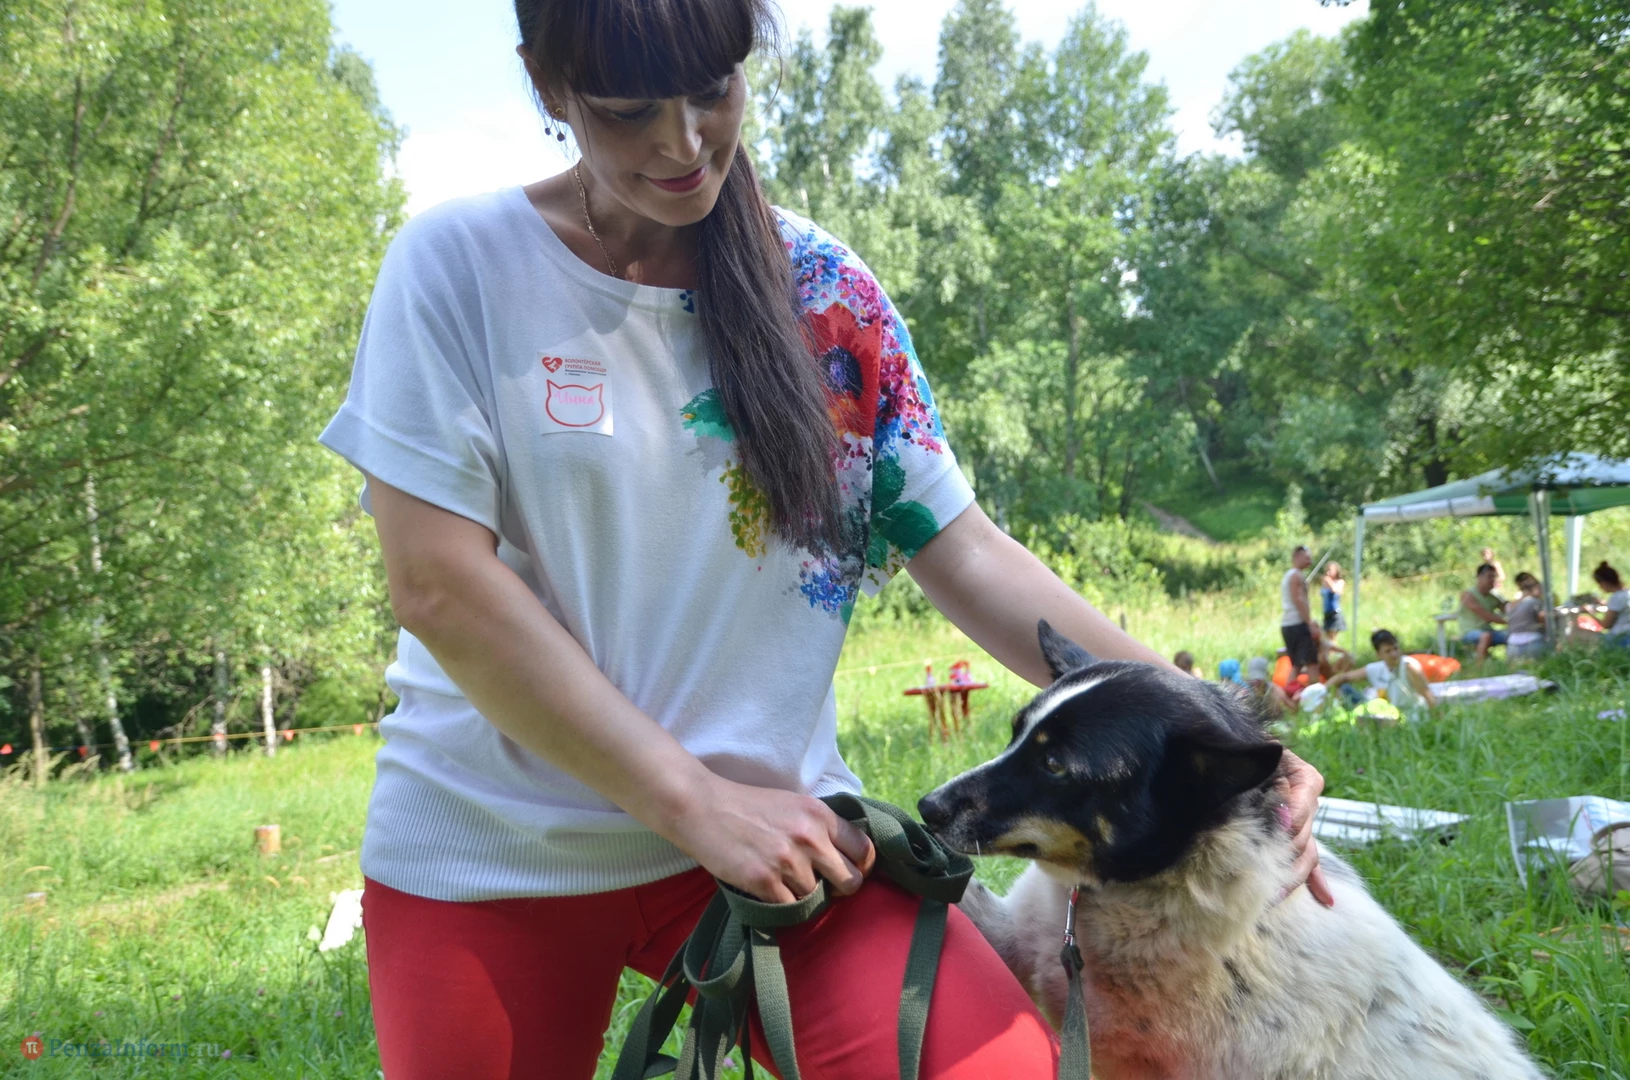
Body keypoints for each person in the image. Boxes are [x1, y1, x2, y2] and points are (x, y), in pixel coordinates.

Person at [313, 3, 1333, 1077]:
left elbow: (964, 551)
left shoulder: (828, 292)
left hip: (788, 850)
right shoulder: (458, 267)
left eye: (713, 90)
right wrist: (695, 803)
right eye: (628, 111)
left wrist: (1216, 728)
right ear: (545, 83)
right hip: (494, 849)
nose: (683, 142)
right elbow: (438, 585)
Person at [1326, 629, 1437, 717]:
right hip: (1383, 713)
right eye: (1388, 651)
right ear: (1379, 655)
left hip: (1409, 715)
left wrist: (1436, 718)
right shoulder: (1376, 668)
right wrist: (1322, 689)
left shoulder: (1409, 666)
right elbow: (1344, 677)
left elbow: (1428, 695)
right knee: (1344, 689)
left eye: (1395, 649)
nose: (1394, 654)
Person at [1279, 546, 1322, 679]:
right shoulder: (1296, 575)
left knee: (1297, 665)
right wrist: (1309, 623)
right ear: (1297, 557)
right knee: (1312, 662)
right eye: (1307, 558)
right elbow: (1298, 599)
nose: (1310, 561)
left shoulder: (1289, 575)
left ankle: (1289, 690)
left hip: (1288, 625)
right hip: (1297, 624)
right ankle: (1316, 690)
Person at [1458, 562, 1508, 665]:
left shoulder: (1492, 597)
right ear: (1479, 577)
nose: (1492, 580)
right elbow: (1486, 616)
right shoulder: (1468, 595)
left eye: (1494, 577)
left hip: (1488, 631)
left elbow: (1507, 609)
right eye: (1489, 576)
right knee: (1485, 636)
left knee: (1511, 635)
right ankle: (1479, 667)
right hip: (1469, 632)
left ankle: (1512, 663)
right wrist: (1509, 622)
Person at [1504, 572, 1549, 659]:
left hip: (1512, 645)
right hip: (1532, 643)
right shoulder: (1535, 602)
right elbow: (1543, 619)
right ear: (1535, 588)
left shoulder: (1509, 605)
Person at [1594, 561, 1630, 648]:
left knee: (1577, 633)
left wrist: (1590, 613)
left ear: (1604, 583)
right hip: (1627, 635)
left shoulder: (1616, 597)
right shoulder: (1626, 593)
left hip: (1618, 638)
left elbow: (1605, 625)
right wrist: (1606, 604)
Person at [1319, 561, 1347, 647]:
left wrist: (1329, 581)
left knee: (1332, 638)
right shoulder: (1325, 583)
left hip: (1335, 613)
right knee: (1324, 638)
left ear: (1336, 571)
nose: (1328, 572)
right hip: (1327, 613)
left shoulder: (1340, 582)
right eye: (1327, 570)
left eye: (1330, 570)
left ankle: (1336, 653)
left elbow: (1336, 590)